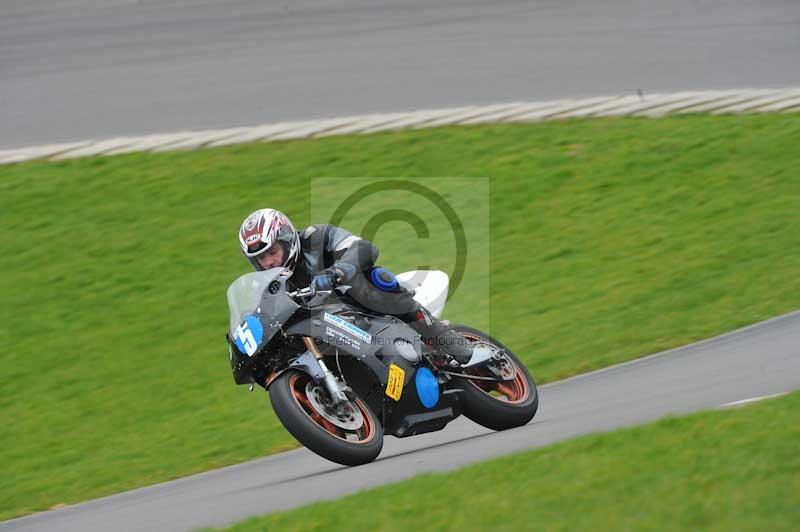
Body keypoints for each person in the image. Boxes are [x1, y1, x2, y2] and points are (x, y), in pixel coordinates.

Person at [237, 208, 485, 365]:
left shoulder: (317, 237)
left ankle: (448, 340)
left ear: (287, 239)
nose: (269, 261)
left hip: (361, 305)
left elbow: (364, 248)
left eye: (273, 252)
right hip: (332, 331)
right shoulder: (272, 285)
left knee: (376, 279)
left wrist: (338, 271)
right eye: (261, 258)